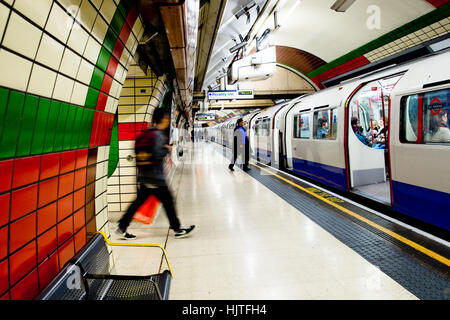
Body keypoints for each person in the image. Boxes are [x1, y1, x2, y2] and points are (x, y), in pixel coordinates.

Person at [115, 107, 195, 240]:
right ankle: (178, 229)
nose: (168, 120)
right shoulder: (157, 135)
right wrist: (166, 149)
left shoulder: (147, 133)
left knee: (138, 203)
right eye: (167, 118)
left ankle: (121, 227)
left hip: (144, 176)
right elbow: (157, 154)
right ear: (162, 119)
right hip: (155, 179)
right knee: (168, 201)